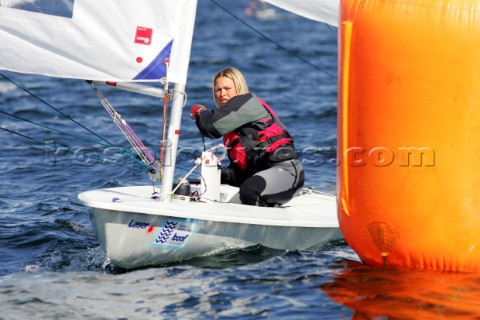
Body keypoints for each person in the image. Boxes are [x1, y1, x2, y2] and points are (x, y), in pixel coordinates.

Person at [190, 67, 304, 207]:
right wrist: (215, 174)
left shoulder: (246, 103)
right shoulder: (232, 124)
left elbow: (209, 127)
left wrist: (199, 111)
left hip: (286, 172)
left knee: (250, 191)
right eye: (218, 90)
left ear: (239, 88)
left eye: (227, 88)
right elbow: (241, 173)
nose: (222, 94)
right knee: (201, 181)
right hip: (263, 174)